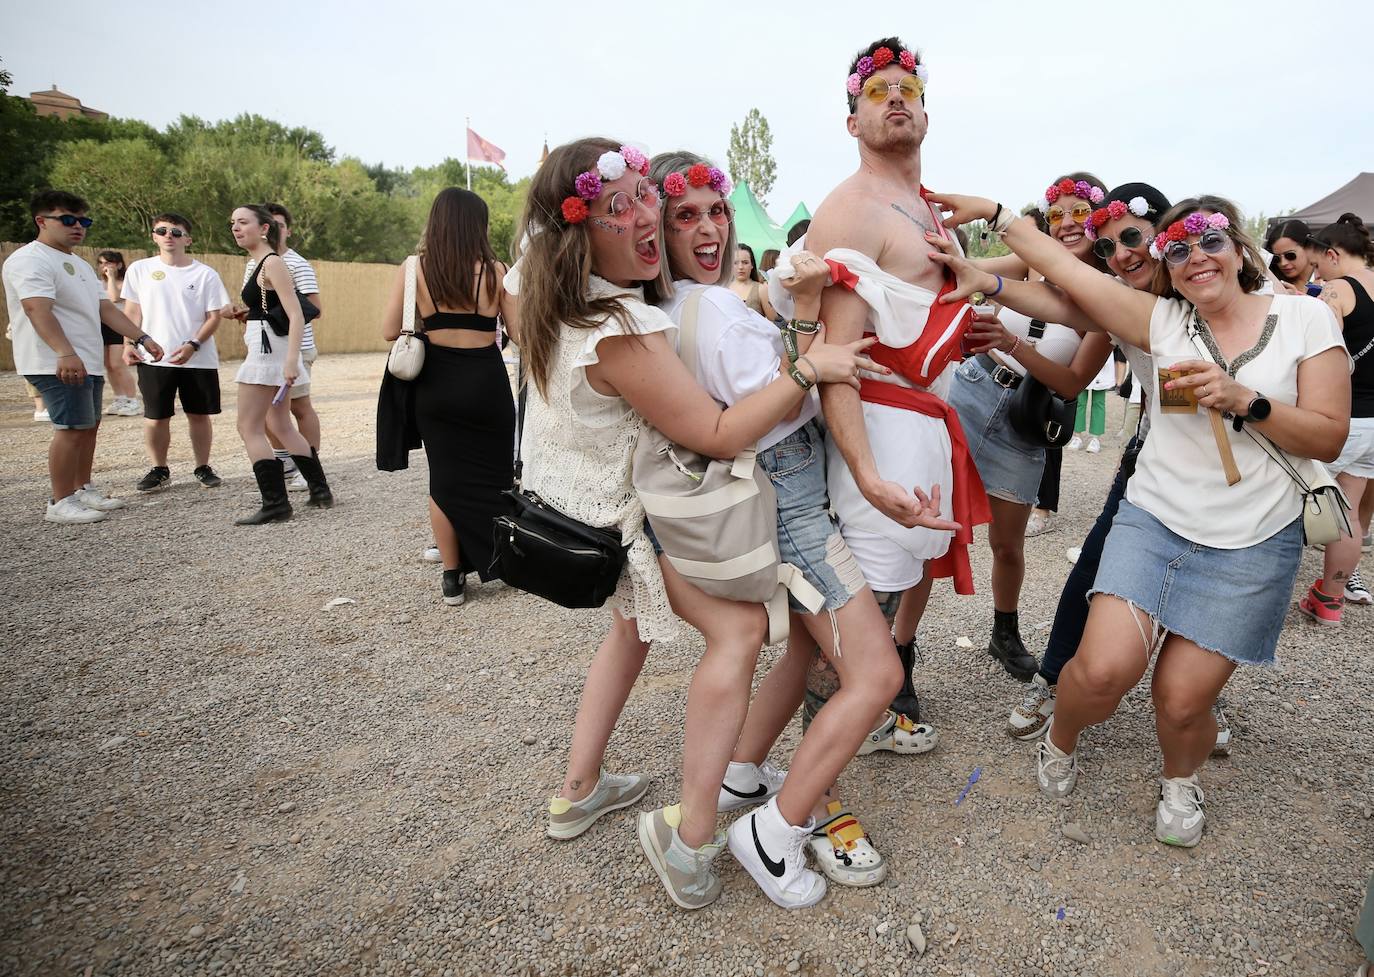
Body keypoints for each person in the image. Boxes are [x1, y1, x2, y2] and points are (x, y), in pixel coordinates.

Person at [515, 138, 876, 911]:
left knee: (631, 631)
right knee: (741, 632)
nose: (645, 215)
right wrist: (808, 368)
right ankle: (690, 839)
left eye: (649, 195)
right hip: (631, 515)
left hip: (577, 509)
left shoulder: (553, 297)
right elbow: (717, 433)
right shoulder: (622, 326)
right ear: (578, 228)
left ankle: (578, 790)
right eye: (623, 205)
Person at [928, 190, 1350, 846]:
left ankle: (1180, 777)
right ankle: (1060, 738)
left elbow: (1328, 437)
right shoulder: (1162, 322)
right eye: (1177, 249)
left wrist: (1249, 400)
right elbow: (1067, 280)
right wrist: (995, 213)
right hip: (1155, 518)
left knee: (1182, 702)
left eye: (1209, 240)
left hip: (1253, 540)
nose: (1194, 256)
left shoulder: (1305, 320)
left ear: (1240, 248)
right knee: (1101, 671)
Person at [646, 150, 950, 903]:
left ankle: (746, 769)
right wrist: (816, 329)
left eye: (716, 210)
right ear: (656, 227)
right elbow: (788, 393)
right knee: (876, 675)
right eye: (686, 216)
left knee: (799, 654)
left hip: (784, 492)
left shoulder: (681, 307)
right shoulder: (710, 310)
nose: (711, 227)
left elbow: (768, 343)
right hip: (793, 501)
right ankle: (772, 831)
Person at [783, 37, 992, 748]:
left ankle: (858, 724)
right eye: (877, 92)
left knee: (891, 589)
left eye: (908, 89)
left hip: (923, 418)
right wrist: (868, 476)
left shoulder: (927, 206)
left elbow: (910, 316)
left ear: (926, 113)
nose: (896, 97)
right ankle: (818, 790)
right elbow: (835, 358)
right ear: (852, 123)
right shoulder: (852, 210)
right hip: (878, 424)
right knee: (852, 611)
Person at [948, 173, 1125, 681]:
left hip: (1026, 418)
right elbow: (974, 269)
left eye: (1079, 212)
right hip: (973, 389)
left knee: (1007, 542)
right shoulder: (1033, 256)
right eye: (1058, 213)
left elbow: (1071, 383)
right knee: (934, 526)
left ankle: (1004, 631)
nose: (1067, 223)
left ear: (1099, 219)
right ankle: (901, 649)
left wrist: (1011, 342)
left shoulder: (1111, 294)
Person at [380, 188, 516, 607]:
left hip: (436, 384)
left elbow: (389, 331)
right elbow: (523, 334)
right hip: (486, 381)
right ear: (479, 225)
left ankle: (453, 576)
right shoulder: (497, 271)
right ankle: (502, 559)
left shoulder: (413, 269)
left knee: (444, 481)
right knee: (495, 476)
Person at [3, 190, 165, 523]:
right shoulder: (30, 259)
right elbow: (36, 308)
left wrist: (142, 337)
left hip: (85, 359)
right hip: (55, 361)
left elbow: (105, 307)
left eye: (83, 221)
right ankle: (59, 501)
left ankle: (81, 489)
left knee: (88, 426)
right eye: (67, 219)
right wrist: (64, 352)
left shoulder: (76, 263)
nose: (77, 226)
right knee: (71, 428)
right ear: (41, 221)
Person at [229, 204, 332, 524]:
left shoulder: (272, 263)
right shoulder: (262, 262)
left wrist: (291, 361)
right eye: (233, 223)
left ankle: (275, 502)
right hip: (270, 348)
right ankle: (319, 490)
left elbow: (298, 313)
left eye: (243, 222)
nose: (235, 227)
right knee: (280, 424)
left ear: (264, 228)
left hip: (269, 352)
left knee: (249, 426)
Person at [120, 213, 232, 492]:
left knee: (198, 414)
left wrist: (193, 344)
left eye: (176, 232)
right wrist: (129, 344)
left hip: (198, 357)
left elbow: (214, 316)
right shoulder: (139, 269)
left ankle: (203, 466)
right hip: (154, 357)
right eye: (162, 230)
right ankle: (159, 468)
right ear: (154, 236)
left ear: (188, 239)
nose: (169, 235)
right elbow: (132, 312)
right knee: (156, 416)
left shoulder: (205, 273)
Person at [1298, 213, 1374, 619]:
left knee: (1292, 499)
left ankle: (1261, 588)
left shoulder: (1338, 289)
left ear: (1331, 255)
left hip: (1346, 419)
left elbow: (1324, 352)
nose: (1316, 272)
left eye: (1316, 264)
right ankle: (1329, 600)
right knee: (1349, 510)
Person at [244, 204, 324, 492]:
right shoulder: (254, 262)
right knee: (273, 417)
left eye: (277, 225)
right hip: (267, 347)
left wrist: (292, 354)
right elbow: (259, 305)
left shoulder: (294, 263)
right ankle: (296, 470)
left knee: (299, 409)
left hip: (294, 347)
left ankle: (309, 469)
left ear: (284, 230)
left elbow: (311, 309)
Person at [95, 250, 141, 416]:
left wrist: (112, 278)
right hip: (102, 326)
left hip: (119, 326)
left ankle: (132, 400)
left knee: (117, 364)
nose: (104, 267)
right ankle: (120, 397)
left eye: (108, 263)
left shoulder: (124, 283)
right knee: (108, 365)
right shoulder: (97, 283)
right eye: (101, 263)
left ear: (119, 265)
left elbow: (114, 298)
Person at [1067, 356, 1115, 453]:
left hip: (1102, 364)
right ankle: (1077, 436)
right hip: (1083, 361)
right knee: (1079, 402)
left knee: (1098, 402)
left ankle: (1095, 438)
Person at [1264, 219, 1317, 291]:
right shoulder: (1272, 285)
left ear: (1309, 247)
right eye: (1277, 259)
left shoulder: (1328, 279)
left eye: (1290, 255)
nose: (1283, 263)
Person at [728, 243, 776, 320]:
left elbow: (774, 321)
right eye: (735, 263)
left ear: (752, 265)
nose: (740, 267)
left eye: (745, 262)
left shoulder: (761, 289)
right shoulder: (723, 289)